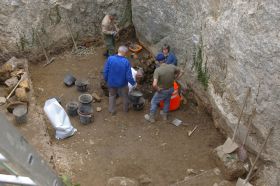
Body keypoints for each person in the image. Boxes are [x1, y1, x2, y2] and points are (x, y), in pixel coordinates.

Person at [144, 53, 181, 123]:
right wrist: (176, 78)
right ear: (165, 59)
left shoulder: (157, 70)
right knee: (167, 101)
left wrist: (158, 89)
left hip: (163, 90)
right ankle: (165, 116)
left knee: (154, 102)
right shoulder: (172, 66)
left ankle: (151, 118)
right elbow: (181, 71)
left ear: (158, 62)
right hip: (171, 89)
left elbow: (154, 84)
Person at [103, 46, 136, 115]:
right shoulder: (126, 62)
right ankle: (125, 109)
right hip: (122, 84)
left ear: (118, 51)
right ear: (125, 53)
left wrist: (106, 80)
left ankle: (112, 110)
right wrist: (134, 83)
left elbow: (105, 71)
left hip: (111, 83)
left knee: (112, 96)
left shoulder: (110, 59)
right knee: (125, 96)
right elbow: (129, 76)